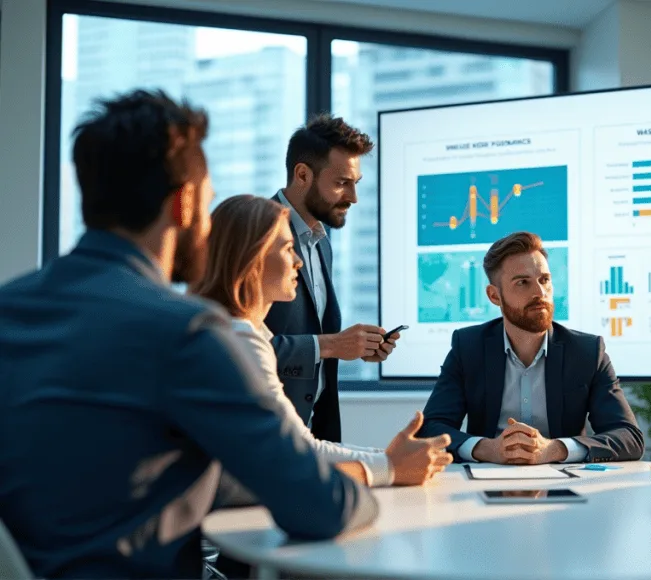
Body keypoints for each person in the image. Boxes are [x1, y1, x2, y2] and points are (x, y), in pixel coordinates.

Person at [0, 90, 378, 579]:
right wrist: (380, 474)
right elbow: (322, 508)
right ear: (184, 204)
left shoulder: (9, 309)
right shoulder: (189, 332)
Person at [194, 194, 453, 487]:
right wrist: (389, 465)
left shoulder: (245, 333)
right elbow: (298, 453)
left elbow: (302, 444)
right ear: (251, 258)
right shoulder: (240, 339)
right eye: (289, 249)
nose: (298, 263)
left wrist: (389, 458)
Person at [419, 232, 644, 464]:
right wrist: (487, 449)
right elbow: (430, 429)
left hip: (561, 483)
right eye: (522, 282)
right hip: (486, 478)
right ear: (494, 295)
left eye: (544, 280)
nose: (539, 293)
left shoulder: (587, 352)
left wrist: (554, 449)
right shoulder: (468, 347)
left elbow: (629, 438)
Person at [265, 114, 394, 444]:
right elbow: (235, 344)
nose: (353, 197)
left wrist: (356, 345)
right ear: (303, 175)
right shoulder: (257, 233)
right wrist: (333, 344)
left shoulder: (321, 242)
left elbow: (312, 337)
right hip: (266, 435)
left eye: (356, 183)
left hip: (312, 434)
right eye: (341, 183)